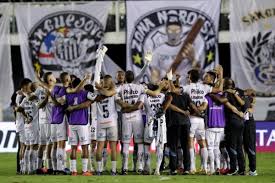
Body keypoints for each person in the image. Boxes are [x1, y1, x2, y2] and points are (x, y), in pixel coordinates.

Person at [117, 70, 165, 175]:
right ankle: (139, 167)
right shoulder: (140, 87)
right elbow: (155, 93)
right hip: (137, 118)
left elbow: (118, 100)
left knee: (125, 144)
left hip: (126, 118)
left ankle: (124, 168)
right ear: (134, 78)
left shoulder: (120, 88)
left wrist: (125, 108)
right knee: (139, 144)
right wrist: (161, 86)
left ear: (125, 78)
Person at [243, 89, 257, 176]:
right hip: (244, 124)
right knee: (244, 148)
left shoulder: (250, 99)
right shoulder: (246, 99)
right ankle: (244, 168)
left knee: (250, 147)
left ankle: (253, 170)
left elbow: (251, 110)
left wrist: (245, 110)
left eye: (246, 91)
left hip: (249, 125)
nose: (244, 92)